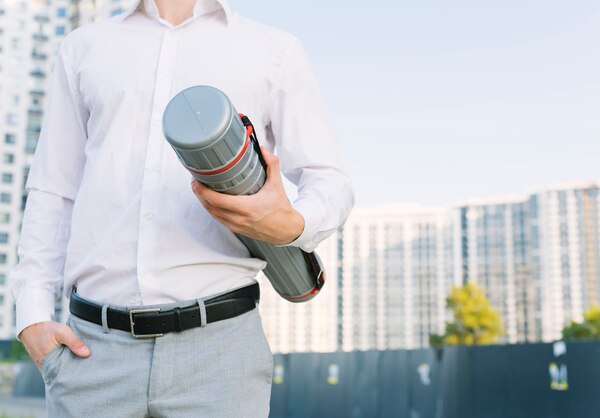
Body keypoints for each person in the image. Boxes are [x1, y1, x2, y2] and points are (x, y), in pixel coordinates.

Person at [9, 0, 354, 416]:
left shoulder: (273, 49)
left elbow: (329, 179)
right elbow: (53, 189)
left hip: (221, 356)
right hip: (91, 354)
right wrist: (31, 316)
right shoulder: (84, 47)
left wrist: (293, 223)